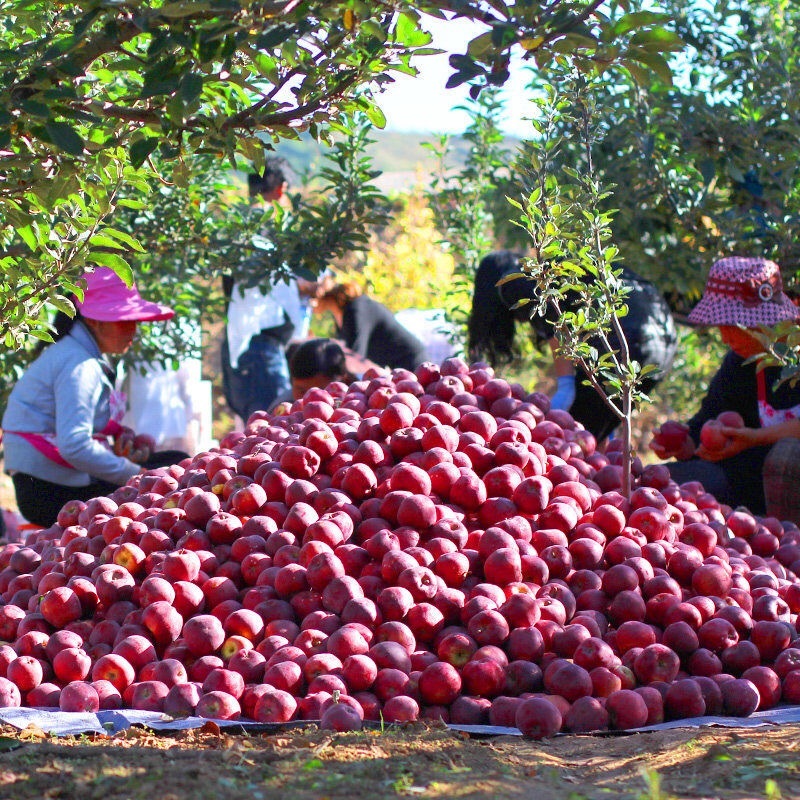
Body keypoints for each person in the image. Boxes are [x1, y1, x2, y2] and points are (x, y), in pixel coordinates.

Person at [1, 268, 187, 528]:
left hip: (45, 484)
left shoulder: (76, 354)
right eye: (125, 320)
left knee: (173, 463)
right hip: (49, 493)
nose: (134, 331)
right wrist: (134, 474)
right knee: (172, 469)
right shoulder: (79, 364)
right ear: (96, 321)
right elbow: (74, 445)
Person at [468, 250, 678, 442]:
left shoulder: (511, 280)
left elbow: (553, 318)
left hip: (626, 337)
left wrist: (566, 384)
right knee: (592, 433)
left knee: (568, 442)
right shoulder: (556, 268)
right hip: (662, 342)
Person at [650, 256, 800, 519]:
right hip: (746, 487)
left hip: (789, 494)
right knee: (652, 484)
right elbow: (706, 421)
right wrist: (684, 444)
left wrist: (753, 438)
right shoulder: (740, 361)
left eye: (731, 325)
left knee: (786, 456)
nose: (723, 336)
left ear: (764, 319)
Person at [222, 159, 321, 420]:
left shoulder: (239, 223)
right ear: (281, 188)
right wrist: (306, 285)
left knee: (257, 428)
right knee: (272, 428)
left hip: (244, 339)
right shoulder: (267, 224)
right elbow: (280, 285)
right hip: (261, 347)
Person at [314, 282, 428, 372]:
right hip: (396, 364)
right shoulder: (344, 314)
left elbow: (355, 356)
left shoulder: (356, 310)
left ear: (325, 296)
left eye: (312, 297)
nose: (309, 303)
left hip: (411, 362)